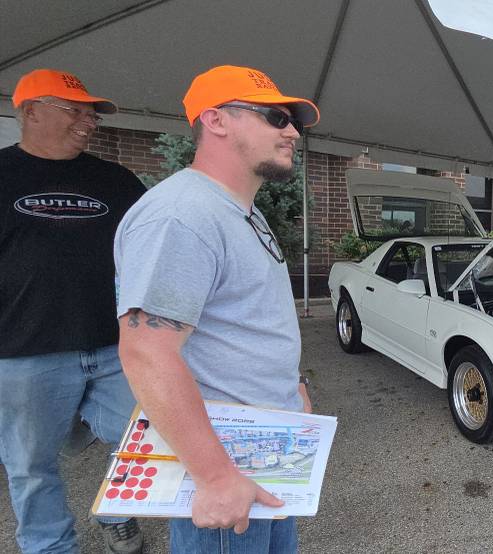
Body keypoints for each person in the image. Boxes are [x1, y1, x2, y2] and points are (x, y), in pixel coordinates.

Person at [113, 65, 318, 552]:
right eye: (275, 117)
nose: (292, 131)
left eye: (292, 121)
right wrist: (216, 476)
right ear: (216, 120)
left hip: (268, 447)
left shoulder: (240, 209)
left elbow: (249, 318)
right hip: (227, 463)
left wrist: (293, 387)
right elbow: (147, 352)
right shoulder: (181, 215)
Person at [0, 69, 145, 554]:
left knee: (141, 441)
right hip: (24, 350)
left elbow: (148, 251)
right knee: (30, 464)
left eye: (92, 115)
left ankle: (117, 512)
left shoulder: (117, 180)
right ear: (31, 112)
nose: (88, 122)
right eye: (74, 110)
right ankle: (48, 545)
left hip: (115, 345)